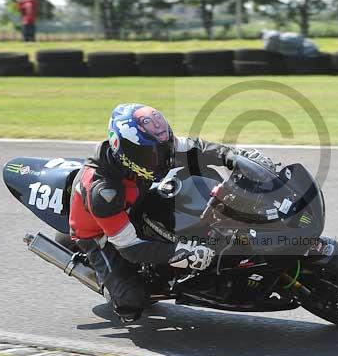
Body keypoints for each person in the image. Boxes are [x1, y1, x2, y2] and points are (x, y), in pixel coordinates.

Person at [67, 104, 272, 323]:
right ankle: (109, 282)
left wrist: (236, 157)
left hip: (136, 202)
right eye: (151, 153)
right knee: (132, 300)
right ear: (123, 150)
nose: (162, 156)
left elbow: (195, 147)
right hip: (99, 234)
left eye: (163, 147)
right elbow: (130, 248)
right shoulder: (104, 192)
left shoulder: (153, 148)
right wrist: (184, 253)